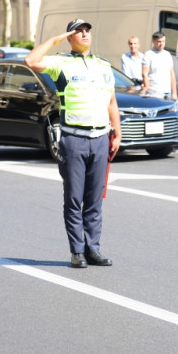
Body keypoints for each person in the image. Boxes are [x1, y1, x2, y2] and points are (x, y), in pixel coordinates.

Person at [25, 18, 122, 269]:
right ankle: (77, 251)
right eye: (78, 31)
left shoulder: (103, 65)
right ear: (70, 37)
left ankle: (93, 249)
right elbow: (31, 61)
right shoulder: (61, 63)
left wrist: (118, 134)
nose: (84, 34)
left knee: (94, 200)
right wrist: (55, 39)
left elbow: (112, 102)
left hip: (100, 139)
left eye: (87, 30)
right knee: (74, 197)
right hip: (73, 139)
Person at [142, 31, 178, 100]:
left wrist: (174, 93)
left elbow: (172, 75)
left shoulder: (167, 55)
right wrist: (147, 89)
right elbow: (145, 74)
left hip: (167, 92)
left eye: (163, 41)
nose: (161, 44)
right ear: (153, 41)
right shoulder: (148, 55)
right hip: (154, 93)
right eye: (159, 41)